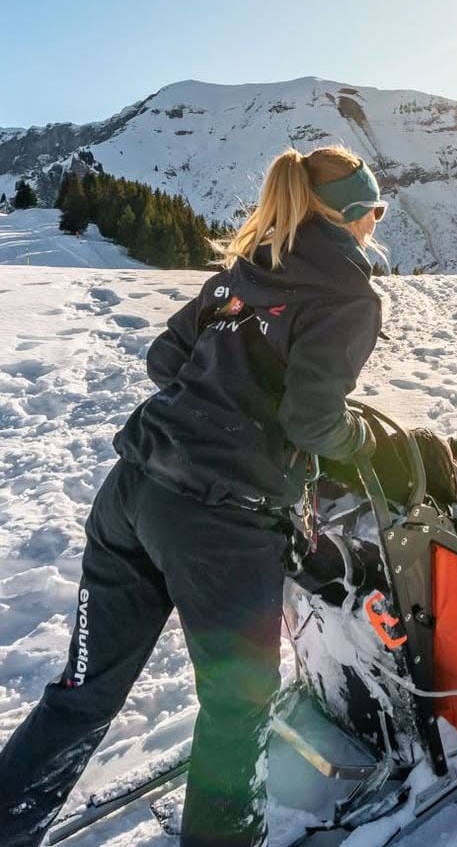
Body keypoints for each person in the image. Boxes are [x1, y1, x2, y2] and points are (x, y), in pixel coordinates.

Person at [0, 146, 387, 847]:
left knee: (82, 696)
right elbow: (314, 423)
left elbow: (164, 360)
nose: (377, 223)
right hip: (219, 523)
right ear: (356, 215)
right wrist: (367, 443)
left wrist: (215, 399)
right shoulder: (349, 294)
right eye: (376, 210)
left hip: (131, 491)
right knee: (237, 711)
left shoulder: (245, 270)